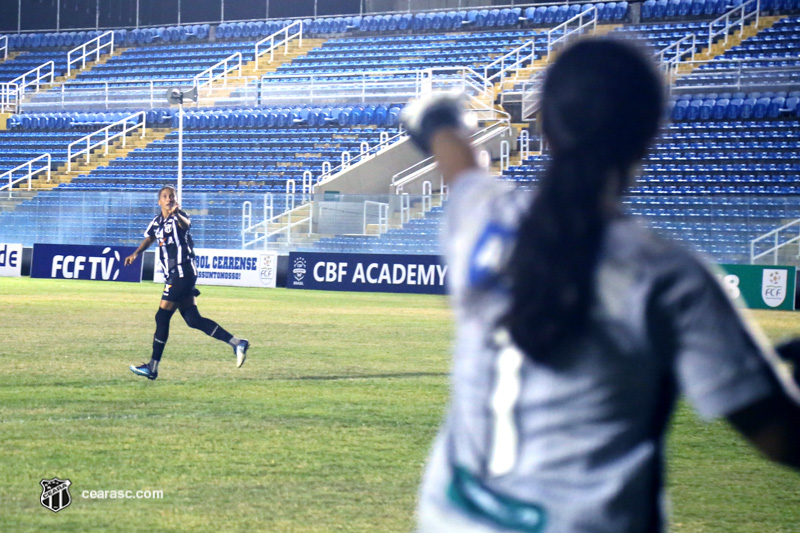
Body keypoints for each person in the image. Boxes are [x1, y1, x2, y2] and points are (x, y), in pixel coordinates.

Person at [400, 38, 800, 533]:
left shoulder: (479, 214)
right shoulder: (667, 275)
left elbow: (455, 157)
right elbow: (784, 438)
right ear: (650, 133)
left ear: (544, 124)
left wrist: (440, 119)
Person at [124, 185, 249, 380]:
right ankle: (237, 342)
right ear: (159, 201)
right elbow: (150, 238)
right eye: (165, 196)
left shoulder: (179, 217)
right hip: (177, 274)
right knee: (193, 319)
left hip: (181, 272)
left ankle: (152, 367)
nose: (168, 199)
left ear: (175, 200)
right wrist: (135, 254)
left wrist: (177, 214)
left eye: (171, 196)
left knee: (162, 316)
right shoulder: (156, 222)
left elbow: (185, 225)